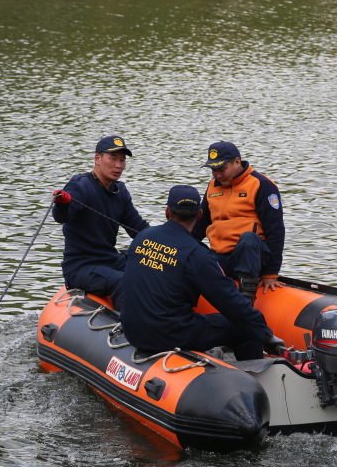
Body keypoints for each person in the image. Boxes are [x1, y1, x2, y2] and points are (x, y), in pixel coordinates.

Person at [120, 185, 280, 361]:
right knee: (244, 328)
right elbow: (230, 302)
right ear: (200, 215)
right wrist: (265, 335)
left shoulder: (142, 237)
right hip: (167, 334)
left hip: (132, 330)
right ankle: (252, 378)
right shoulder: (197, 254)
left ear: (167, 212)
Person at [52, 135, 149, 309]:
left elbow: (138, 229)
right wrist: (61, 205)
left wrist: (168, 244)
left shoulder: (120, 191)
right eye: (113, 159)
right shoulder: (80, 186)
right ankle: (132, 329)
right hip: (81, 268)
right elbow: (62, 217)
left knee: (153, 266)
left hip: (110, 260)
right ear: (98, 158)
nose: (119, 165)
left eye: (122, 160)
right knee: (122, 281)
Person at [191, 142, 286, 303]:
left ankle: (246, 301)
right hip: (219, 255)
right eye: (214, 170)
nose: (218, 175)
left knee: (248, 239)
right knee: (195, 249)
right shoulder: (213, 186)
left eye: (222, 170)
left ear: (237, 162)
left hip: (251, 256)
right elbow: (200, 226)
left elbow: (275, 230)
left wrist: (270, 273)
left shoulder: (261, 184)